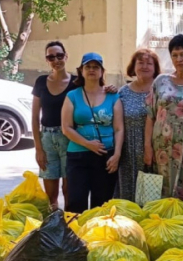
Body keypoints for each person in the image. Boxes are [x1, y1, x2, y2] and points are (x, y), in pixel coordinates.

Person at [144, 34, 183, 218]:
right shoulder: (161, 81)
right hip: (162, 148)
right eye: (175, 55)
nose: (179, 59)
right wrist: (147, 147)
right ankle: (163, 231)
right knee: (163, 189)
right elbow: (150, 116)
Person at [61, 52, 124, 213]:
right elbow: (66, 127)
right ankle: (74, 236)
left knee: (102, 204)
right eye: (87, 66)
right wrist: (88, 144)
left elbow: (119, 128)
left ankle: (96, 237)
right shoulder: (72, 96)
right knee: (76, 202)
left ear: (102, 71)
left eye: (96, 67)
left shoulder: (112, 96)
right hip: (78, 156)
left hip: (105, 156)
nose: (91, 70)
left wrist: (116, 155)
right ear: (81, 71)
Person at [32, 41, 75, 210]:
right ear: (47, 60)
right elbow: (35, 117)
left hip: (69, 138)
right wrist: (38, 148)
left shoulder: (77, 82)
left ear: (66, 56)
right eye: (51, 57)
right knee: (51, 191)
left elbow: (96, 90)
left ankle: (69, 223)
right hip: (47, 138)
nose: (56, 60)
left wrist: (109, 88)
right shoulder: (41, 82)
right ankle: (53, 222)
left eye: (59, 55)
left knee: (69, 187)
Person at [116, 49, 161, 201]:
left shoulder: (160, 90)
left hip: (154, 149)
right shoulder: (122, 92)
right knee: (128, 193)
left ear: (155, 68)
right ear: (133, 66)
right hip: (128, 150)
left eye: (149, 63)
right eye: (140, 63)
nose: (145, 66)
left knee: (151, 194)